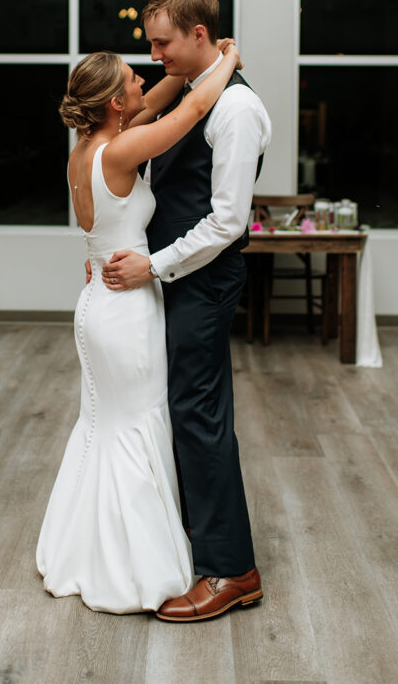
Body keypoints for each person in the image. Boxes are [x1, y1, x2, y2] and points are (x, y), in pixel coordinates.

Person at [36, 40, 244, 614]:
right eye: (131, 78)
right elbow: (190, 112)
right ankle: (135, 563)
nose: (142, 80)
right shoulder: (121, 153)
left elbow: (156, 102)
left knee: (104, 423)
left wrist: (184, 72)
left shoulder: (86, 150)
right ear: (111, 104)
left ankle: (84, 546)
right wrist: (227, 59)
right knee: (135, 426)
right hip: (127, 307)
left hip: (94, 303)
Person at [102, 0, 271, 622]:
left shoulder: (235, 111)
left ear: (199, 35)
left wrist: (154, 266)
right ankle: (201, 541)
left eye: (163, 42)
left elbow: (227, 222)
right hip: (174, 277)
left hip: (200, 279)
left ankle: (233, 570)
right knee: (180, 408)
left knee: (199, 414)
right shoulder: (199, 95)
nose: (154, 55)